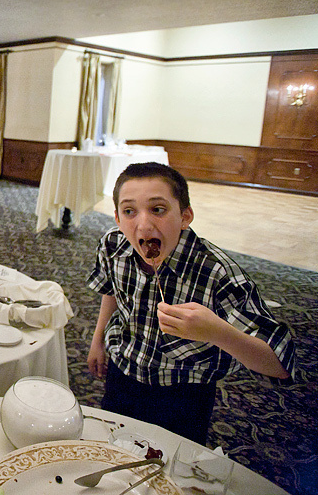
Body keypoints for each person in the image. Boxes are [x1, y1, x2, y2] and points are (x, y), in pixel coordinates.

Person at [86, 162, 296, 445]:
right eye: (129, 211)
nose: (144, 225)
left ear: (185, 216)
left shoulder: (218, 273)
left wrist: (216, 332)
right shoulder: (114, 244)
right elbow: (111, 289)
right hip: (123, 374)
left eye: (158, 209)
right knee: (114, 447)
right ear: (117, 217)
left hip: (184, 394)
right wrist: (97, 340)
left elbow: (280, 365)